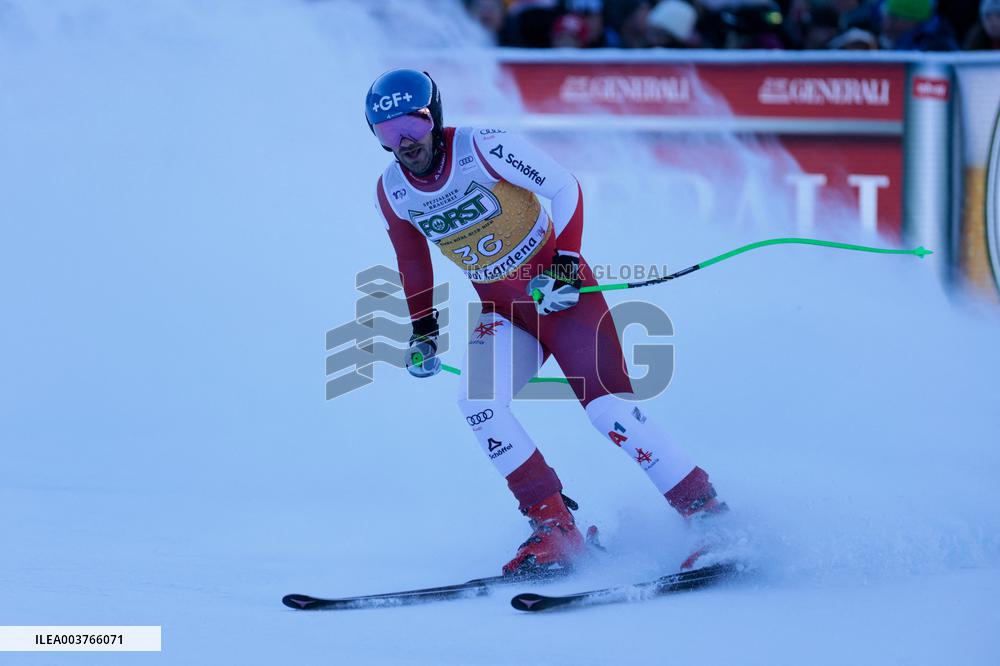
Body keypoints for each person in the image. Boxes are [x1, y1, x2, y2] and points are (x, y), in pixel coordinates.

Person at [366, 69, 729, 577]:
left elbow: (565, 186)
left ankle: (712, 520)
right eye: (387, 131)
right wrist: (423, 331)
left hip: (562, 296)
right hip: (504, 311)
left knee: (609, 412)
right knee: (478, 404)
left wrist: (564, 262)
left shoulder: (483, 146)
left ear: (436, 117)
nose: (404, 141)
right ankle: (554, 529)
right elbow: (412, 262)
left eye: (413, 123)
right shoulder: (392, 191)